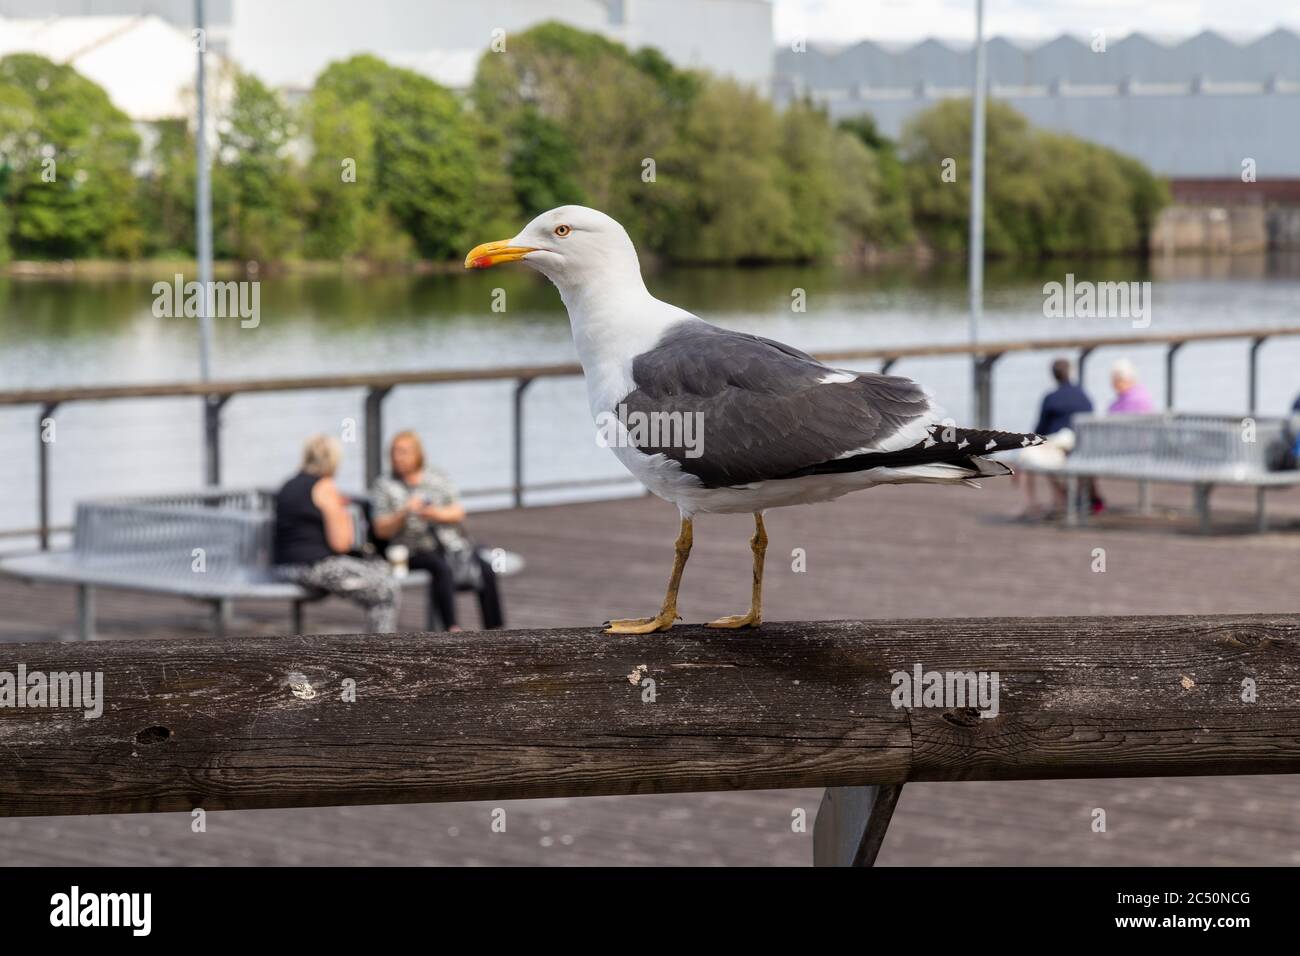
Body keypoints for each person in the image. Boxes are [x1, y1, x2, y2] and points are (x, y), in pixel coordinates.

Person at [371, 430, 504, 631]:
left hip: (447, 544)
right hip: (408, 550)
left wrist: (433, 513)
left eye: (403, 452)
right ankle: (452, 629)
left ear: (417, 454)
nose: (397, 458)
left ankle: (495, 632)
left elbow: (458, 512)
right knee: (441, 567)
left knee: (485, 567)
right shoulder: (384, 484)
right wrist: (404, 512)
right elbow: (381, 530)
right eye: (394, 452)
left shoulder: (436, 477)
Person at [273, 434, 400, 633]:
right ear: (333, 460)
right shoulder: (325, 486)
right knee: (386, 592)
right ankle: (382, 654)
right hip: (313, 568)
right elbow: (341, 543)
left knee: (379, 569)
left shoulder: (288, 485)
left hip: (285, 567)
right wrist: (343, 513)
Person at [1019, 358, 1093, 517]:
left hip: (1061, 450)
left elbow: (1040, 429)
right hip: (1082, 448)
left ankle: (1035, 503)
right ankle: (1063, 497)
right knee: (1050, 456)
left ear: (1053, 375)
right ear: (1070, 372)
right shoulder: (1083, 395)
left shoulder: (1051, 398)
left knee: (1030, 456)